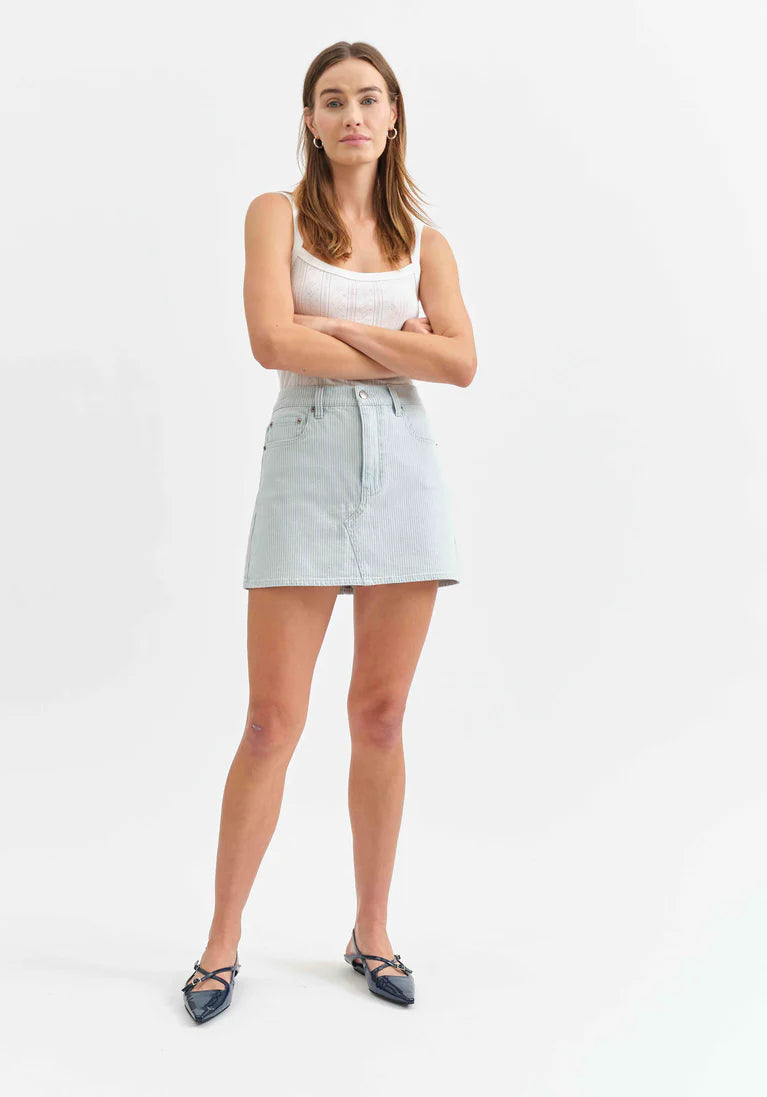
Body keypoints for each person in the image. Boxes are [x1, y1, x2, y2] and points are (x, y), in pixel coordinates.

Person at [181, 40, 476, 1023]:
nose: (352, 113)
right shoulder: (277, 215)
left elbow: (464, 363)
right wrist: (398, 343)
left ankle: (372, 928)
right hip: (303, 463)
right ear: (309, 118)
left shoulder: (425, 241)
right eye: (332, 99)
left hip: (404, 468)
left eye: (369, 98)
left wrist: (340, 333)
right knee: (271, 720)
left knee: (380, 715)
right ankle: (221, 941)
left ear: (394, 117)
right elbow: (270, 338)